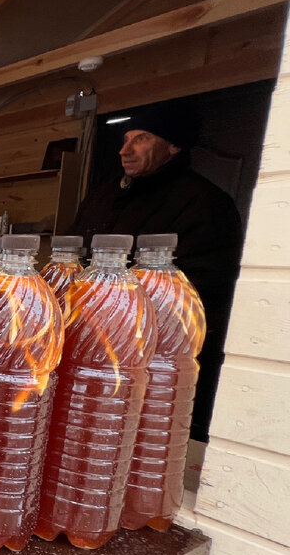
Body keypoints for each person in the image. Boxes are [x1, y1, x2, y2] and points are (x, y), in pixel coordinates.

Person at [71, 100, 243, 439]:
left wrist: (123, 312)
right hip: (88, 344)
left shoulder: (205, 203)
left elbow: (199, 290)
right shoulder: (104, 195)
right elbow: (76, 256)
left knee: (134, 440)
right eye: (126, 139)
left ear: (174, 146)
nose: (125, 150)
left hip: (151, 359)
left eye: (142, 138)